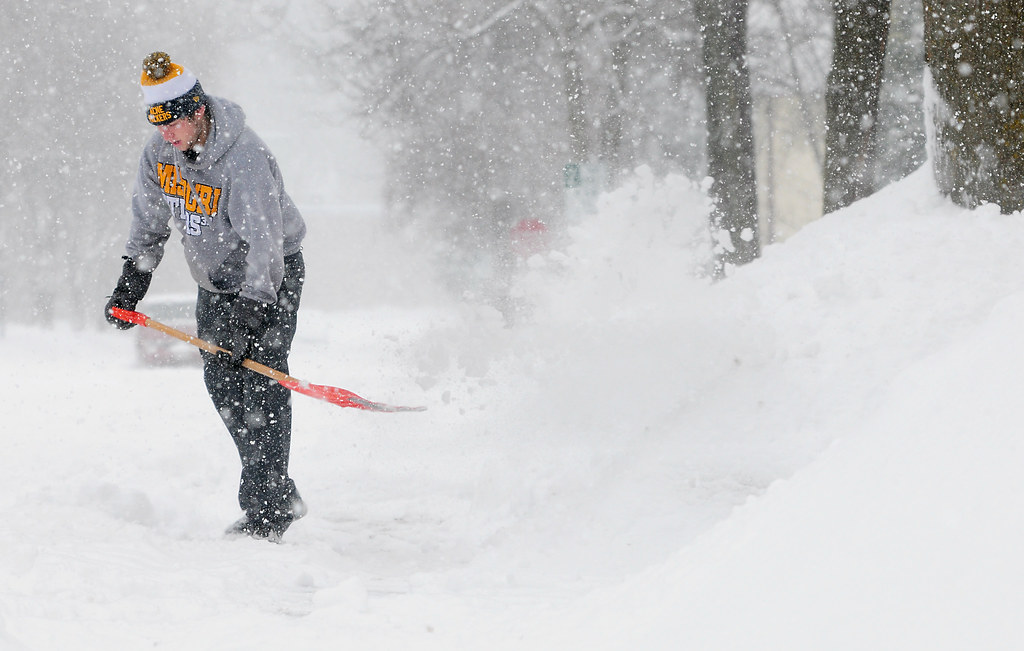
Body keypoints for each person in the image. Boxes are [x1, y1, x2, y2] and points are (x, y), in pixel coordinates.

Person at [104, 52, 308, 542]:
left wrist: (252, 311)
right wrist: (133, 282)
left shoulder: (245, 158)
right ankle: (278, 492)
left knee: (261, 382)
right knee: (223, 385)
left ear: (197, 111)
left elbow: (266, 243)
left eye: (172, 123)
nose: (166, 135)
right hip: (215, 282)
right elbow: (149, 221)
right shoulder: (160, 154)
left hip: (271, 278)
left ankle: (268, 510)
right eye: (157, 124)